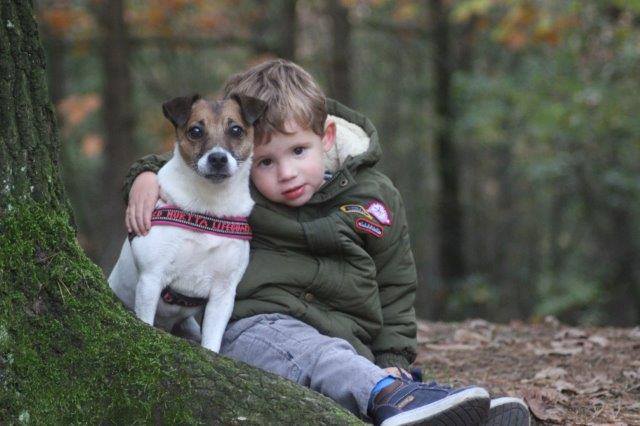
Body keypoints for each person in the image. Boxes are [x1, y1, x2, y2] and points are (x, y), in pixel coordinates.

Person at [122, 59, 530, 426]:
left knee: (341, 367)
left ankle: (416, 401)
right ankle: (395, 397)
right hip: (258, 329)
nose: (286, 173)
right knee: (319, 360)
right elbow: (190, 164)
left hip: (349, 342)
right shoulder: (238, 190)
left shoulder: (373, 197)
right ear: (247, 159)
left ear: (328, 137)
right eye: (266, 161)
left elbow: (395, 287)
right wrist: (142, 176)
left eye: (299, 151)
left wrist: (394, 360)